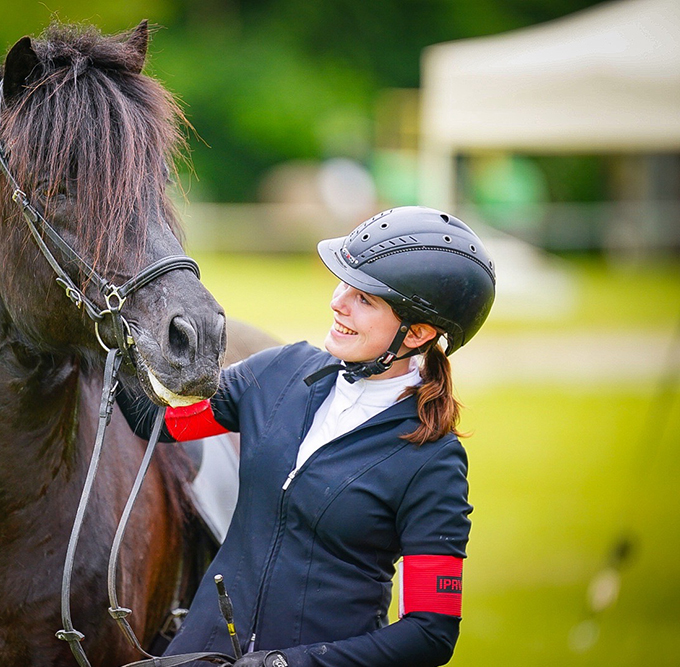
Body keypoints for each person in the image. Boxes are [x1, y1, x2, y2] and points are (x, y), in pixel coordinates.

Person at [118, 206, 496, 666]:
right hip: (200, 653)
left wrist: (286, 664)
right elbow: (158, 423)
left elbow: (429, 632)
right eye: (344, 283)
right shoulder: (281, 371)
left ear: (416, 333)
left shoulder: (433, 462)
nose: (339, 302)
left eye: (365, 299)